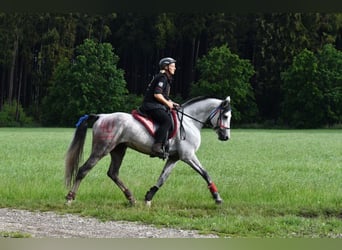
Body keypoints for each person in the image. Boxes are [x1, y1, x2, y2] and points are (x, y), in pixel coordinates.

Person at [141, 57, 179, 157]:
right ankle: (157, 146)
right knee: (167, 121)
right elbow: (157, 95)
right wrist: (168, 104)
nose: (175, 68)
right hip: (151, 106)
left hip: (155, 105)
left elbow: (164, 96)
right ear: (166, 67)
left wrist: (172, 102)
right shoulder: (162, 78)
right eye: (173, 66)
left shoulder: (164, 78)